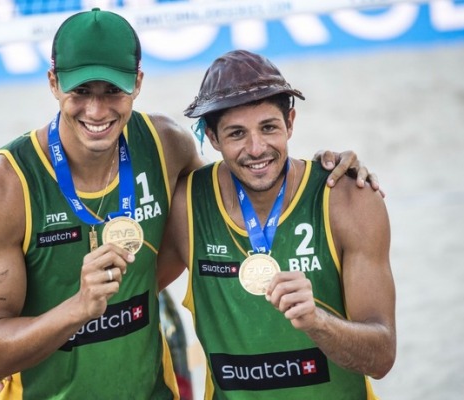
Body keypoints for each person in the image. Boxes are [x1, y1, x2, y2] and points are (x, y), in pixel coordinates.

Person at [0, 8, 380, 400]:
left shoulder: (165, 145)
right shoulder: (1, 188)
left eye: (112, 90)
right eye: (81, 91)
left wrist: (330, 169)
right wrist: (77, 310)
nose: (96, 108)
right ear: (53, 83)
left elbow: (240, 184)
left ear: (138, 84)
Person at [157, 49, 396, 399]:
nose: (256, 149)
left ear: (291, 122)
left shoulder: (347, 199)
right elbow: (131, 297)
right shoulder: (186, 205)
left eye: (268, 127)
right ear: (212, 138)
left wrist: (317, 321)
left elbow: (381, 357)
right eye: (237, 134)